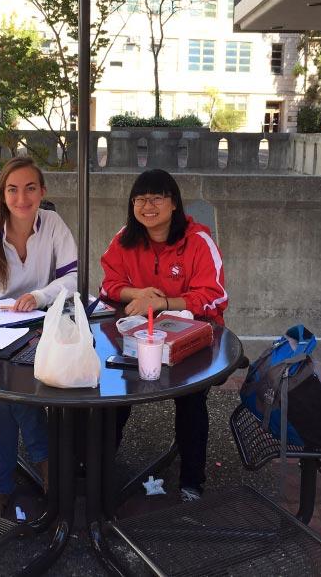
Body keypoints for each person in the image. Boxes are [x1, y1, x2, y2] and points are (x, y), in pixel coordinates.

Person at [0, 157, 77, 515]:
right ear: (2, 194)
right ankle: (47, 461)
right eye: (13, 189)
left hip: (41, 329)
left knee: (3, 398)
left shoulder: (53, 224)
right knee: (5, 393)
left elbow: (72, 278)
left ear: (43, 191)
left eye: (30, 188)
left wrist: (39, 296)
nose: (22, 197)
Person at [100, 168, 228, 502]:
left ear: (174, 204)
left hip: (194, 338)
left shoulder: (198, 241)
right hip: (138, 335)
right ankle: (96, 469)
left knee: (191, 399)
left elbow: (213, 295)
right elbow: (107, 286)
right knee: (114, 391)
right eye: (140, 199)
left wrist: (161, 303)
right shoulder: (125, 238)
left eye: (157, 197)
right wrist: (137, 293)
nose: (148, 205)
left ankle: (191, 481)